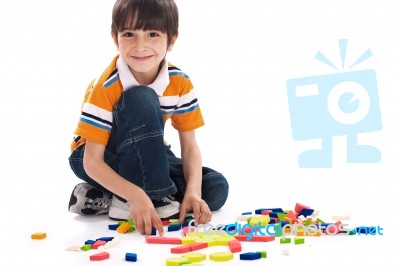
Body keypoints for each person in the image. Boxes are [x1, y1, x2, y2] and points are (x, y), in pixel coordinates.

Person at [67, 0, 229, 236]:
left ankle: (110, 198)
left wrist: (193, 191)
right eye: (129, 34)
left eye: (152, 34)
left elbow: (190, 146)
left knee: (214, 187)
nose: (140, 46)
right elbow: (92, 162)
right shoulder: (107, 85)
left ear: (171, 40)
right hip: (97, 157)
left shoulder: (179, 82)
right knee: (142, 97)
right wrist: (137, 194)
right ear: (115, 38)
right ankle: (146, 197)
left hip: (149, 152)